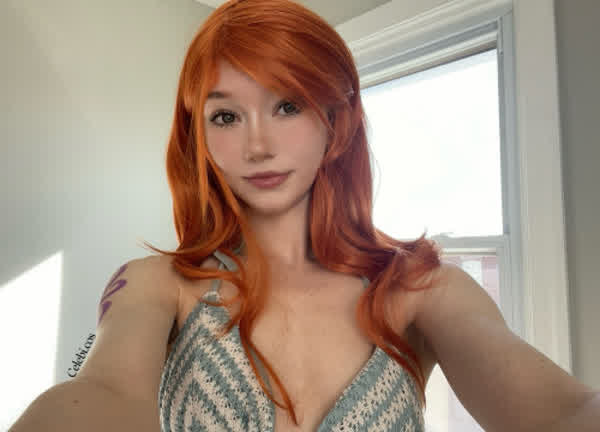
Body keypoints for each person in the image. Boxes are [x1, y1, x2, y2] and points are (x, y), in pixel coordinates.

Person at [10, 0, 599, 431]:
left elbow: (561, 411)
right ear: (200, 137)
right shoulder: (155, 285)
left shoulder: (424, 289)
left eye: (288, 106)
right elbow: (103, 390)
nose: (258, 145)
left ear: (334, 123)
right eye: (225, 116)